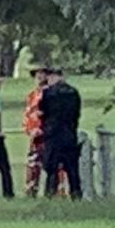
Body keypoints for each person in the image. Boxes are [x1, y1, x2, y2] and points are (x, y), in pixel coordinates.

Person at [39, 67, 83, 199]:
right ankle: (76, 193)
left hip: (53, 135)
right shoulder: (73, 92)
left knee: (51, 167)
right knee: (72, 168)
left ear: (52, 77)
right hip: (69, 134)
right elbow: (76, 114)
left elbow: (43, 114)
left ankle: (50, 193)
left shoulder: (48, 94)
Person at [22, 67, 49, 198]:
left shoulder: (50, 94)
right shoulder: (31, 96)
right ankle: (31, 191)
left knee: (54, 164)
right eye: (37, 75)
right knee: (33, 165)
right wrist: (29, 130)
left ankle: (56, 192)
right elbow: (27, 115)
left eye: (42, 74)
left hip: (48, 136)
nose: (39, 77)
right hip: (34, 138)